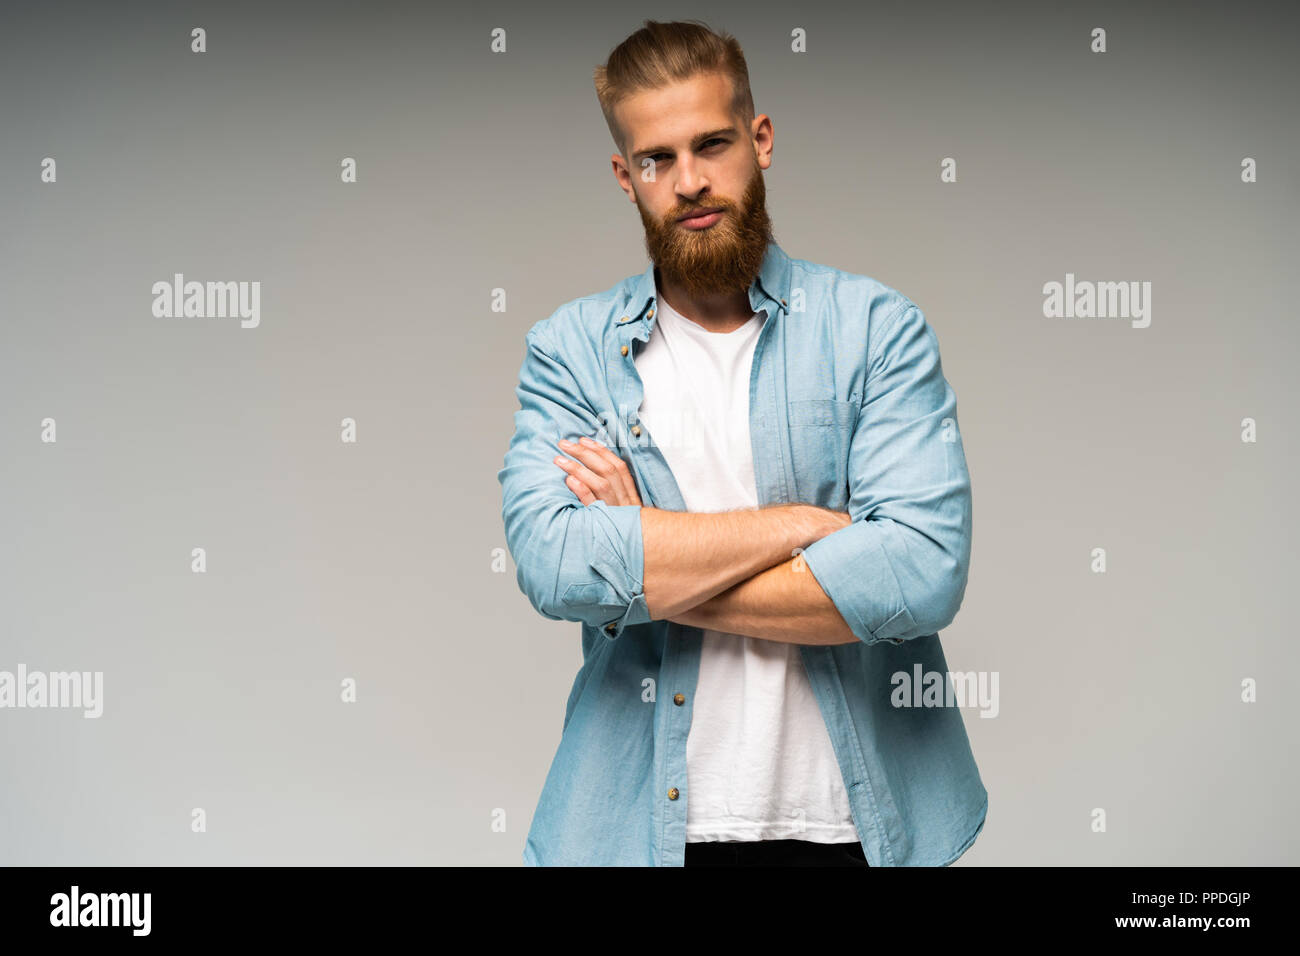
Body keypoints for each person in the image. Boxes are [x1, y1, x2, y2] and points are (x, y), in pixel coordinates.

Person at [498, 18, 987, 867]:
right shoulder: (568, 349)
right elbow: (551, 562)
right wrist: (799, 524)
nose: (689, 181)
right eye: (657, 159)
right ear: (626, 176)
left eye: (712, 144)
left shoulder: (874, 330)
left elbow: (920, 571)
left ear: (759, 141)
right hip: (644, 831)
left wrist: (646, 553)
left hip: (855, 826)